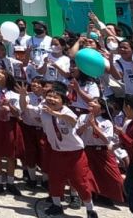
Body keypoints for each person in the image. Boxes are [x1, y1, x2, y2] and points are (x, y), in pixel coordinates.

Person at [39, 83, 98, 218]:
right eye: (50, 97)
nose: (52, 100)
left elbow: (72, 120)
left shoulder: (66, 111)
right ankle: (56, 205)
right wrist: (24, 96)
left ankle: (90, 209)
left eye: (56, 98)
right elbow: (26, 109)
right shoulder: (43, 110)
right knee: (55, 179)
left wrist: (56, 113)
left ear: (63, 101)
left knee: (80, 181)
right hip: (57, 152)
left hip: (74, 153)